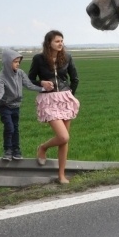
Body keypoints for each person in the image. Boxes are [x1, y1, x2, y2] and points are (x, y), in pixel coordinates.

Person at [29, 30, 80, 184]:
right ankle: (43, 148)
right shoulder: (38, 59)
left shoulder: (67, 57)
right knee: (63, 136)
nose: (60, 43)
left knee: (64, 141)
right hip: (48, 100)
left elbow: (75, 78)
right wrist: (42, 83)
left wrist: (70, 95)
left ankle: (61, 175)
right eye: (57, 41)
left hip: (64, 98)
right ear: (48, 42)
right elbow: (30, 79)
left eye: (62, 41)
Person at [0, 49, 49, 161]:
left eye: (19, 61)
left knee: (15, 128)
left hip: (16, 106)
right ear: (7, 62)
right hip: (4, 106)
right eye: (15, 62)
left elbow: (29, 85)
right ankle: (7, 150)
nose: (18, 64)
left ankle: (16, 150)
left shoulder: (20, 73)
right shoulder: (2, 76)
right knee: (9, 127)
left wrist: (43, 89)